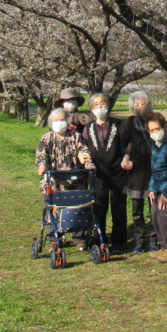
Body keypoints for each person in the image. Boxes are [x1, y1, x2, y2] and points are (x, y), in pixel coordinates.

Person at [35, 108, 93, 250]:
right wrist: (42, 166)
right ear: (51, 123)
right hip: (54, 182)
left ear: (67, 122)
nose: (59, 123)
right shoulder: (47, 138)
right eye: (56, 120)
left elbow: (84, 151)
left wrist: (86, 160)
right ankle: (55, 237)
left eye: (62, 120)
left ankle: (79, 237)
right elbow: (41, 155)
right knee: (53, 209)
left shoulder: (75, 136)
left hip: (74, 180)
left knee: (77, 208)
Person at [80, 93, 128, 253]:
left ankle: (119, 241)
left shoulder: (119, 125)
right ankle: (98, 239)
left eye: (103, 104)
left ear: (108, 105)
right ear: (91, 109)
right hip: (97, 175)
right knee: (99, 208)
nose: (100, 107)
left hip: (117, 173)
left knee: (118, 207)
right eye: (96, 105)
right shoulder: (88, 129)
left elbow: (127, 145)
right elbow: (84, 148)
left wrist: (127, 157)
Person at [119, 90, 157, 254]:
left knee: (154, 209)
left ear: (148, 105)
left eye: (142, 103)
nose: (139, 106)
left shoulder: (155, 120)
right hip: (135, 172)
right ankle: (140, 242)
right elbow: (123, 142)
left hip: (153, 169)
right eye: (136, 104)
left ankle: (155, 241)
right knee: (137, 211)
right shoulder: (129, 123)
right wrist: (126, 157)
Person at [146, 112, 167, 263]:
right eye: (151, 130)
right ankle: (163, 245)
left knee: (165, 215)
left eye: (157, 129)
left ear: (165, 127)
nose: (155, 133)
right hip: (158, 185)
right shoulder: (155, 144)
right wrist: (151, 188)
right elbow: (155, 168)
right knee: (154, 214)